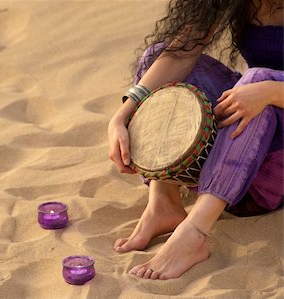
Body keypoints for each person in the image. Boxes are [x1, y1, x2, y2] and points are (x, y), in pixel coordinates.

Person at [107, 0, 283, 280]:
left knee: (257, 81)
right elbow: (182, 51)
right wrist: (121, 115)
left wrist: (271, 91)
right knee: (157, 56)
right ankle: (164, 201)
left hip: (274, 168)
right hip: (246, 134)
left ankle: (195, 232)